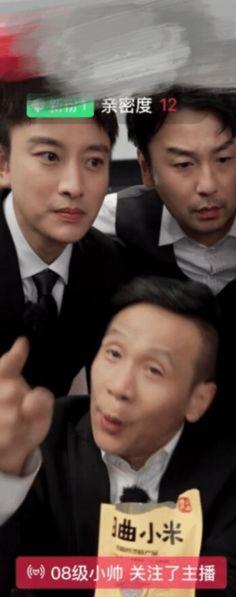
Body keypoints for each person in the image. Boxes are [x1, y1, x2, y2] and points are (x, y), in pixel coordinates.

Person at [0, 275, 236, 597]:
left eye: (153, 370)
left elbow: (221, 591)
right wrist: (6, 475)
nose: (119, 387)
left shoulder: (221, 461)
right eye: (114, 354)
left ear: (197, 400)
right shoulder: (44, 436)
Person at [94, 84, 236, 480]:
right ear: (146, 168)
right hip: (148, 453)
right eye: (183, 165)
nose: (208, 184)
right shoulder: (112, 222)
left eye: (224, 159)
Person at [0, 77, 121, 394]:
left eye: (94, 162)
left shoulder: (109, 266)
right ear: (4, 165)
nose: (74, 186)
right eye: (50, 157)